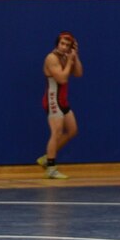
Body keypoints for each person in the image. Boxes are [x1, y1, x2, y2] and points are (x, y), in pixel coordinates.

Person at [38, 32, 81, 180]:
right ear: (57, 43)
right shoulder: (51, 58)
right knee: (56, 132)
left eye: (68, 45)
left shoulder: (66, 57)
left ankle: (46, 157)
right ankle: (50, 168)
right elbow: (62, 79)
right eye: (62, 44)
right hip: (53, 100)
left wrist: (75, 56)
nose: (64, 47)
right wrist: (69, 62)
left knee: (72, 130)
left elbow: (79, 73)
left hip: (62, 100)